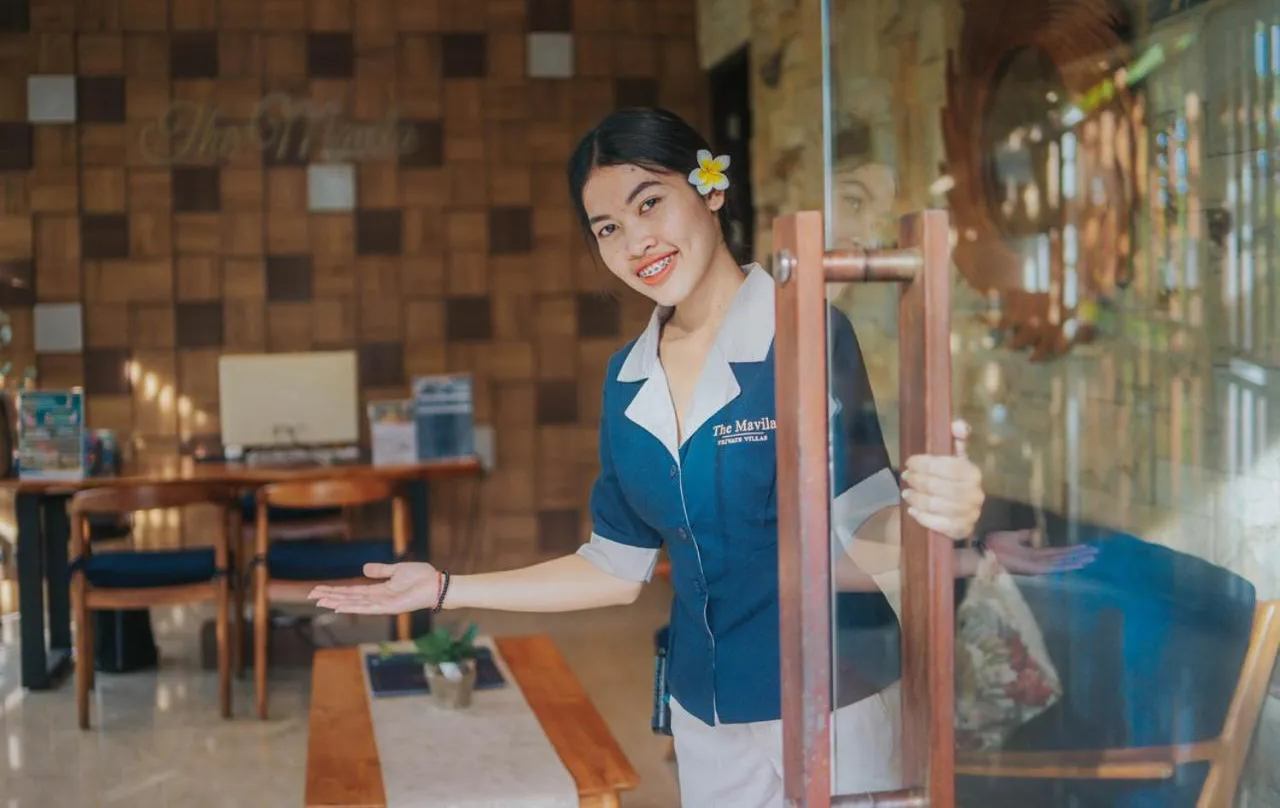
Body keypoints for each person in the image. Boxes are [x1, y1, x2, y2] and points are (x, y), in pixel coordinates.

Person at [309, 108, 1093, 807]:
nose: (634, 240)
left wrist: (948, 526)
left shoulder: (804, 335)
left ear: (711, 190)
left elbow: (859, 531)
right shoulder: (626, 378)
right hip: (703, 714)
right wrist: (445, 587)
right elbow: (615, 568)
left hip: (833, 704)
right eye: (607, 227)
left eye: (650, 202)